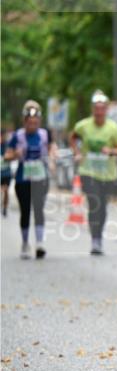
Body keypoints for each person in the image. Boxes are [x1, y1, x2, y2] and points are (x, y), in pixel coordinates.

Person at [71, 90, 117, 255]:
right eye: (96, 108)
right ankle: (95, 240)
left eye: (102, 108)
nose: (99, 111)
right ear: (92, 110)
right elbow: (72, 137)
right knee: (94, 204)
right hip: (88, 171)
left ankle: (98, 236)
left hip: (107, 174)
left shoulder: (113, 128)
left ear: (106, 110)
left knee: (102, 207)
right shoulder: (83, 125)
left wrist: (111, 151)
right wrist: (77, 152)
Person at [4, 100, 57, 259]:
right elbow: (7, 155)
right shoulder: (17, 136)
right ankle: (25, 243)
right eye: (30, 123)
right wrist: (15, 154)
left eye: (35, 122)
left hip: (41, 178)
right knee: (25, 211)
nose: (32, 125)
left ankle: (40, 243)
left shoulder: (44, 134)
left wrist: (53, 159)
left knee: (39, 209)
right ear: (25, 121)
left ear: (39, 121)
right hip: (22, 179)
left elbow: (52, 149)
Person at [1, 127, 11, 217]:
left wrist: (8, 157)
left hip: (6, 173)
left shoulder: (7, 145)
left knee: (6, 190)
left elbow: (12, 155)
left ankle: (5, 207)